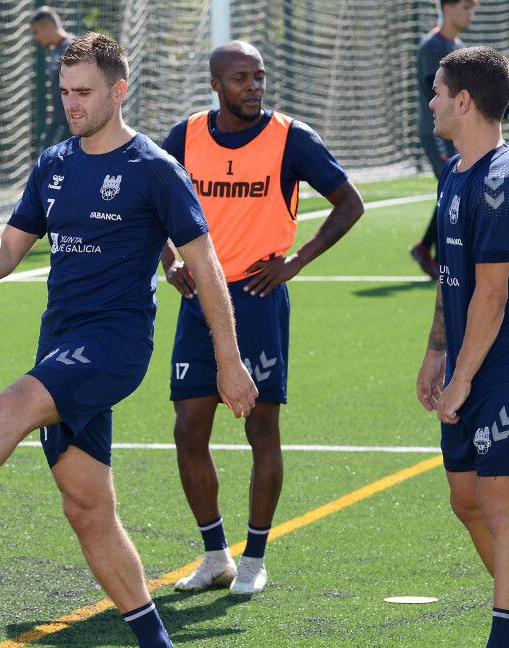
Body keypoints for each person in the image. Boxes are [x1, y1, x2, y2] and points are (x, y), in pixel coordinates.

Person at [0, 33, 257, 648]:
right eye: (65, 92)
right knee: (85, 507)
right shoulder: (55, 163)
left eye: (85, 92)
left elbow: (206, 265)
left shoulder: (153, 170)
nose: (73, 104)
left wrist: (230, 359)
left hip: (115, 344)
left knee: (13, 405)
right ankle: (155, 642)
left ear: (119, 91)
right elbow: (12, 245)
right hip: (59, 341)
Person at [159, 41, 364, 596]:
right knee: (188, 430)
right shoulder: (184, 137)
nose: (254, 86)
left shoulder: (291, 138)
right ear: (215, 85)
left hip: (258, 298)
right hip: (198, 301)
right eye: (241, 77)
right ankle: (214, 555)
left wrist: (295, 261)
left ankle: (253, 558)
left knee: (261, 428)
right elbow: (151, 203)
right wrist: (171, 261)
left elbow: (350, 202)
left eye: (259, 77)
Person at [416, 46, 509, 648]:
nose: (432, 101)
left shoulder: (501, 182)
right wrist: (433, 352)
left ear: (465, 101)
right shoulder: (455, 172)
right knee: (466, 501)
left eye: (439, 92)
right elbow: (452, 278)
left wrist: (463, 377)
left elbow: (492, 296)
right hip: (467, 361)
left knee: (502, 508)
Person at [410, 0, 477, 277]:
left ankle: (429, 250)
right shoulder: (432, 47)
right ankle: (431, 252)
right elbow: (435, 89)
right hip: (436, 132)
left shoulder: (458, 46)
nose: (470, 14)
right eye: (465, 7)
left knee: (454, 189)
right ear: (447, 8)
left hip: (455, 132)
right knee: (451, 188)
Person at [30, 6, 74, 150]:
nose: (36, 38)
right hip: (59, 120)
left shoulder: (74, 49)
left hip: (67, 122)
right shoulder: (57, 50)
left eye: (36, 32)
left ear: (47, 26)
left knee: (49, 162)